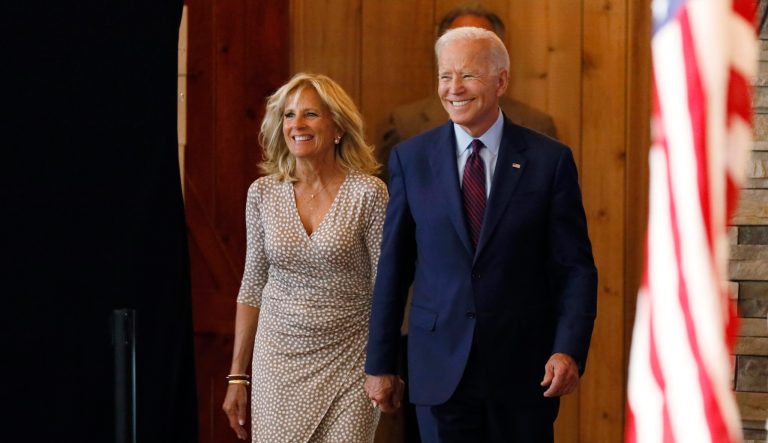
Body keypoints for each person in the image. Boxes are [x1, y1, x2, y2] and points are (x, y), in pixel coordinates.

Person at [364, 27, 597, 443]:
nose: (453, 88)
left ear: (501, 81)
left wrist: (569, 349)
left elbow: (575, 268)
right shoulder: (410, 159)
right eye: (444, 76)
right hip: (439, 371)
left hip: (525, 371)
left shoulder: (549, 161)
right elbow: (393, 268)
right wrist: (380, 364)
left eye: (468, 75)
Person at [222, 72, 389, 442]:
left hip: (351, 361)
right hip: (277, 362)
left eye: (311, 114)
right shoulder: (262, 193)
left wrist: (384, 364)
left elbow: (386, 287)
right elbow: (252, 285)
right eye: (288, 115)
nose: (297, 124)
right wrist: (237, 374)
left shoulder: (369, 193)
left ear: (338, 128)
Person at [376, 5, 557, 181]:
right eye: (456, 38)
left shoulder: (540, 132)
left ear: (500, 78)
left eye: (478, 38)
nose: (456, 88)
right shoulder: (404, 128)